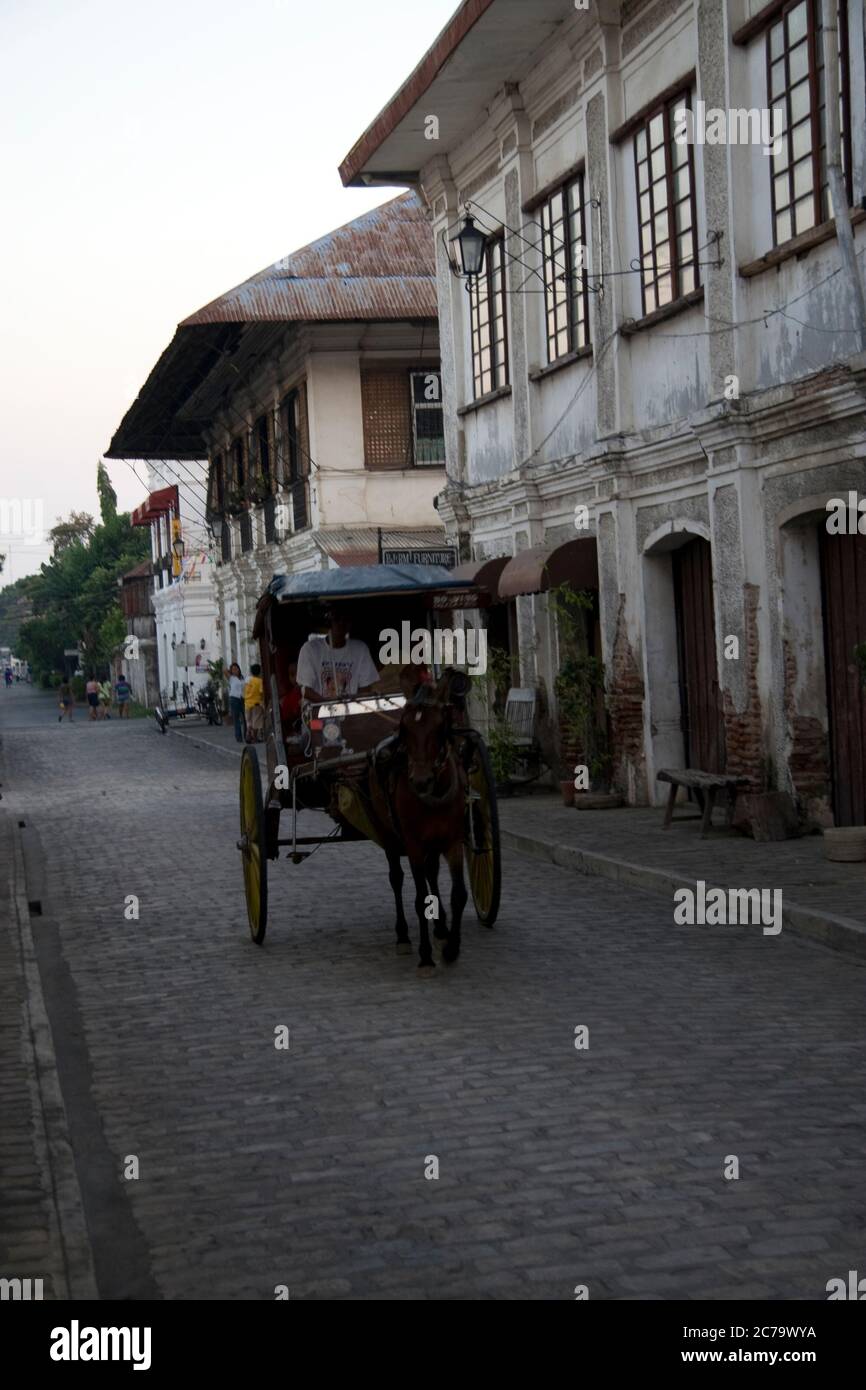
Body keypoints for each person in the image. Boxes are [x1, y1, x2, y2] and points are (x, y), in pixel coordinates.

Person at [295, 606, 379, 704]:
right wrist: (328, 704)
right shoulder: (310, 649)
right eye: (337, 619)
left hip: (351, 712)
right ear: (329, 622)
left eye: (346, 620)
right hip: (320, 711)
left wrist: (352, 706)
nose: (341, 623)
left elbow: (366, 687)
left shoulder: (360, 649)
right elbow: (305, 689)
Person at [244, 663, 265, 743]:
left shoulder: (247, 681)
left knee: (249, 721)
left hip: (247, 703)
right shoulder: (260, 681)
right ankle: (254, 738)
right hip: (256, 703)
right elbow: (261, 692)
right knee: (256, 721)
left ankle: (248, 734)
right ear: (260, 672)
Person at [227, 662, 246, 743]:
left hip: (243, 699)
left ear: (239, 669)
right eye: (233, 669)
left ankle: (247, 735)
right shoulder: (231, 678)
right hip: (234, 699)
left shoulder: (243, 678)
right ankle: (239, 737)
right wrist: (230, 671)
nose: (235, 671)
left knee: (245, 718)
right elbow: (224, 670)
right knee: (236, 719)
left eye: (236, 669)